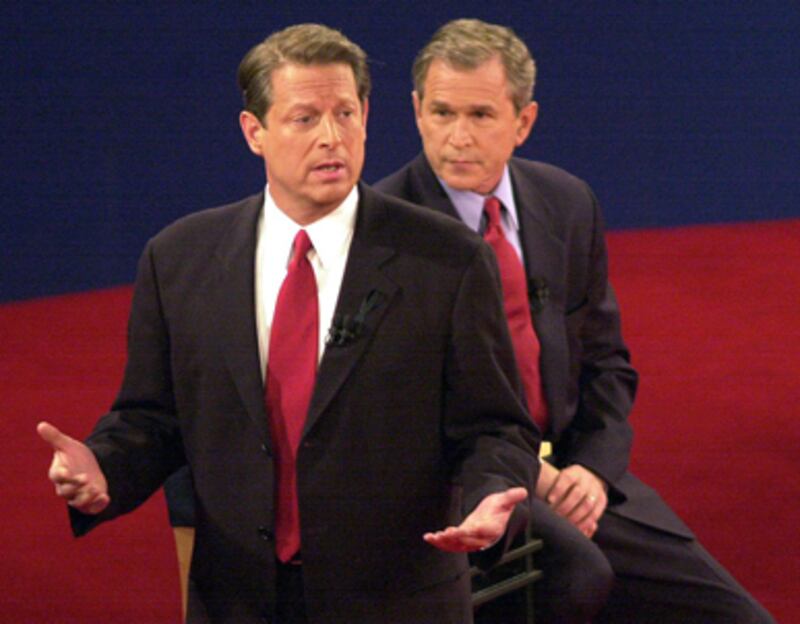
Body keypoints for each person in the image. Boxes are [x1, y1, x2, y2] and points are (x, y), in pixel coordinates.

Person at [37, 23, 541, 624]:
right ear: (255, 132)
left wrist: (492, 497)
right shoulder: (179, 259)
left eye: (345, 114)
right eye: (305, 119)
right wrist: (103, 466)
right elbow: (152, 417)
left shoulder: (446, 259)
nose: (331, 137)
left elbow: (494, 426)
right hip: (238, 600)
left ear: (366, 117)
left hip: (395, 601)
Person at [375, 18, 775, 624]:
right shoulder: (384, 230)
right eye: (441, 112)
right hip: (464, 486)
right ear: (416, 111)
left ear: (524, 122)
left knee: (736, 616)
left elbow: (607, 364)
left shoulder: (566, 202)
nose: (457, 136)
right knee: (580, 576)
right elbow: (398, 408)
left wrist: (592, 471)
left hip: (574, 474)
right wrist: (532, 476)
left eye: (480, 115)